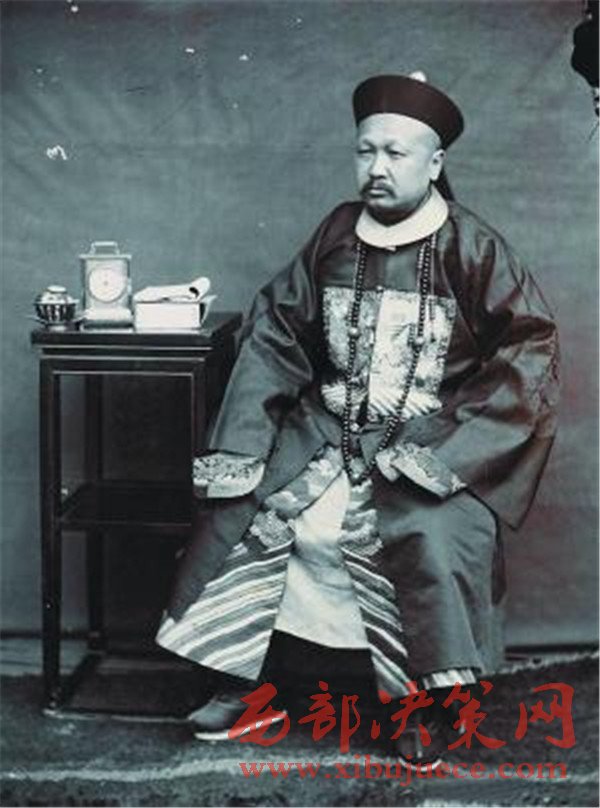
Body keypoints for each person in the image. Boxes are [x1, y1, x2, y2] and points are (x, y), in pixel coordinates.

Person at [156, 73, 559, 765]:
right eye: (366, 151)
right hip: (326, 427)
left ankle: (416, 702)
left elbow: (531, 353)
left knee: (425, 534)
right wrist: (247, 439)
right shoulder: (336, 234)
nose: (377, 168)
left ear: (434, 162)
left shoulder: (474, 248)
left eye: (396, 153)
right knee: (246, 508)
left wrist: (457, 451)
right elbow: (275, 331)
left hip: (425, 439)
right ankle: (244, 681)